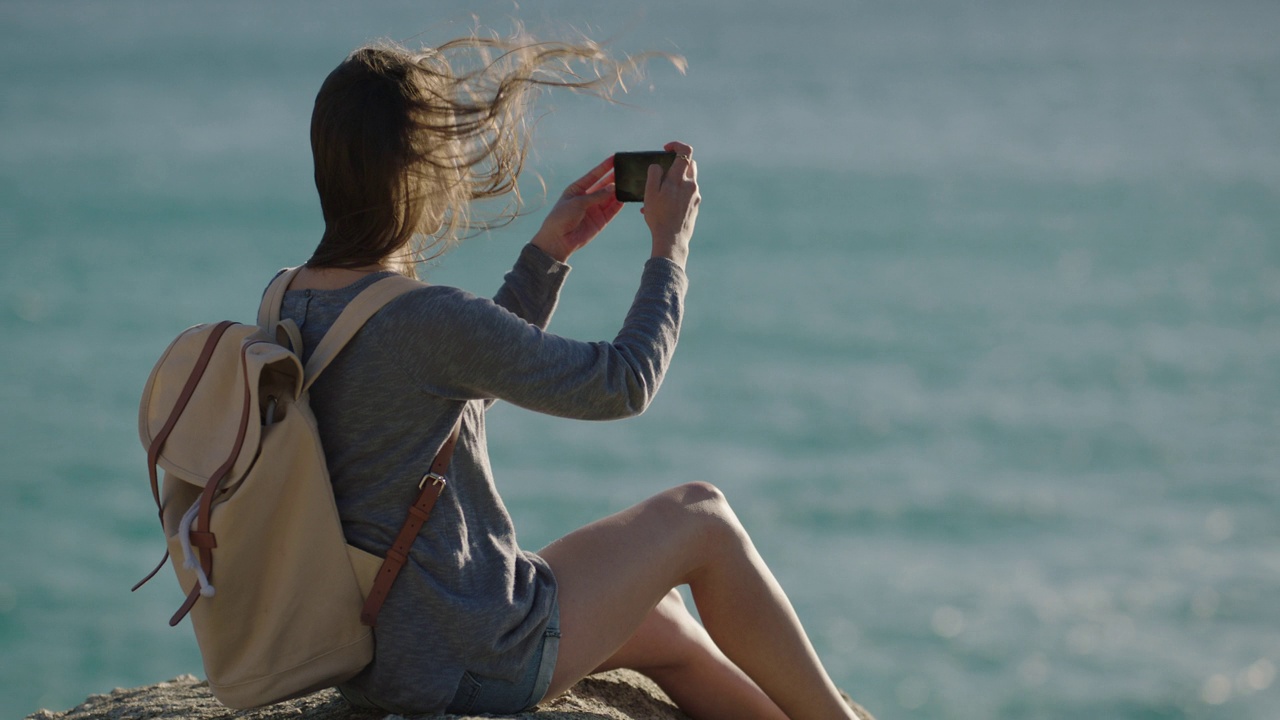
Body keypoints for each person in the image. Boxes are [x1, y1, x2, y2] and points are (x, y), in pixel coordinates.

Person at [280, 33, 861, 720]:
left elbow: (438, 394)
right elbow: (622, 383)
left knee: (665, 623)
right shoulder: (422, 317)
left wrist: (549, 254)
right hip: (466, 661)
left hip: (380, 655)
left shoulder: (291, 300)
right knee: (702, 516)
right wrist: (669, 251)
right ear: (421, 171)